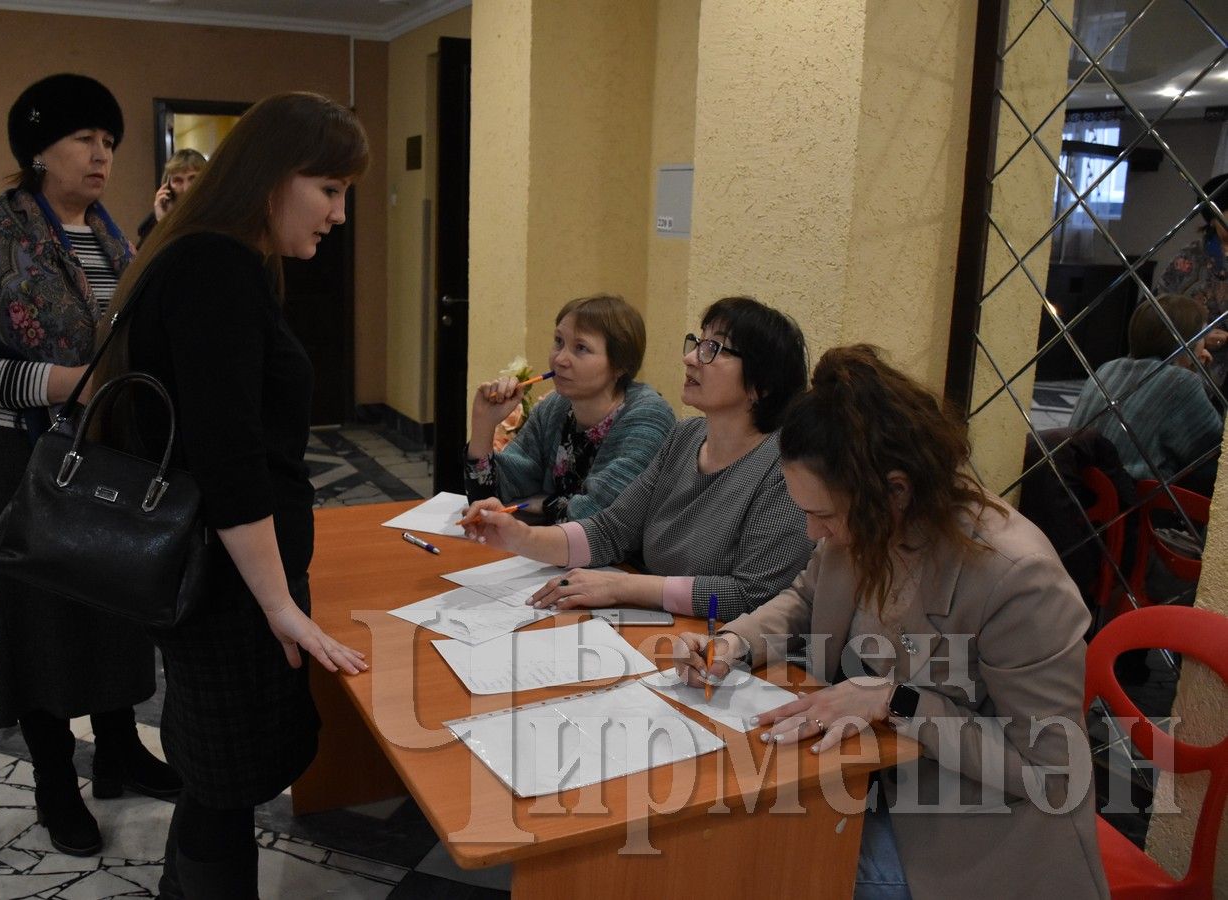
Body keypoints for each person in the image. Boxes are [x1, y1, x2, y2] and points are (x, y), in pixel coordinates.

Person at [676, 345, 1108, 899]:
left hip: (970, 831)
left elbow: (1051, 771)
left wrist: (895, 700)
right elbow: (804, 600)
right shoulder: (867, 527)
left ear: (895, 490)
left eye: (823, 516)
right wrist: (733, 642)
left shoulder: (1016, 580)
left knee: (762, 865)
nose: (813, 534)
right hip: (870, 778)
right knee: (724, 833)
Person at [99, 92, 370, 898]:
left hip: (215, 572)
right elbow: (230, 463)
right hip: (229, 581)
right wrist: (279, 604)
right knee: (227, 779)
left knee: (216, 776)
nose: (339, 214)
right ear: (271, 176)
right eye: (328, 189)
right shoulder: (215, 267)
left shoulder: (205, 257)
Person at [0, 73, 178, 858]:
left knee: (114, 604)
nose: (101, 155)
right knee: (38, 623)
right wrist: (57, 383)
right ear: (38, 148)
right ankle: (55, 782)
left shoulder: (112, 236)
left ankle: (121, 754)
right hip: (24, 459)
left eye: (108, 142)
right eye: (83, 140)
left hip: (108, 451)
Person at [464, 296, 814, 621]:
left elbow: (752, 595)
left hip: (720, 646)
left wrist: (624, 588)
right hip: (660, 625)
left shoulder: (782, 468)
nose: (690, 358)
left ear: (761, 384)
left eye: (714, 349)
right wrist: (519, 537)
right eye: (697, 342)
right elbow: (611, 530)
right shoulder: (686, 436)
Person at [466, 294, 674, 522]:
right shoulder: (555, 407)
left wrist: (540, 503)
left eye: (581, 348)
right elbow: (491, 499)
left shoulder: (648, 416)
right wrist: (483, 426)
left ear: (620, 365)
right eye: (558, 341)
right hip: (546, 552)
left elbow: (603, 515)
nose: (560, 359)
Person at [1069, 293, 1222, 495]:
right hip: (1132, 500)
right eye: (1201, 336)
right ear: (1186, 342)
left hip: (1082, 488)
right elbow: (1215, 447)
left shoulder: (1108, 367)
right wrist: (1201, 377)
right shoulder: (1180, 382)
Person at [1156, 172, 1228, 390]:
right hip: (1193, 370)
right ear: (1214, 218)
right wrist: (1200, 335)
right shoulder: (1190, 257)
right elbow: (1158, 309)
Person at [136, 148, 208, 244]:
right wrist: (162, 222)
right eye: (178, 180)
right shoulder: (153, 224)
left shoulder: (217, 217)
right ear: (167, 186)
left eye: (193, 178)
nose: (186, 188)